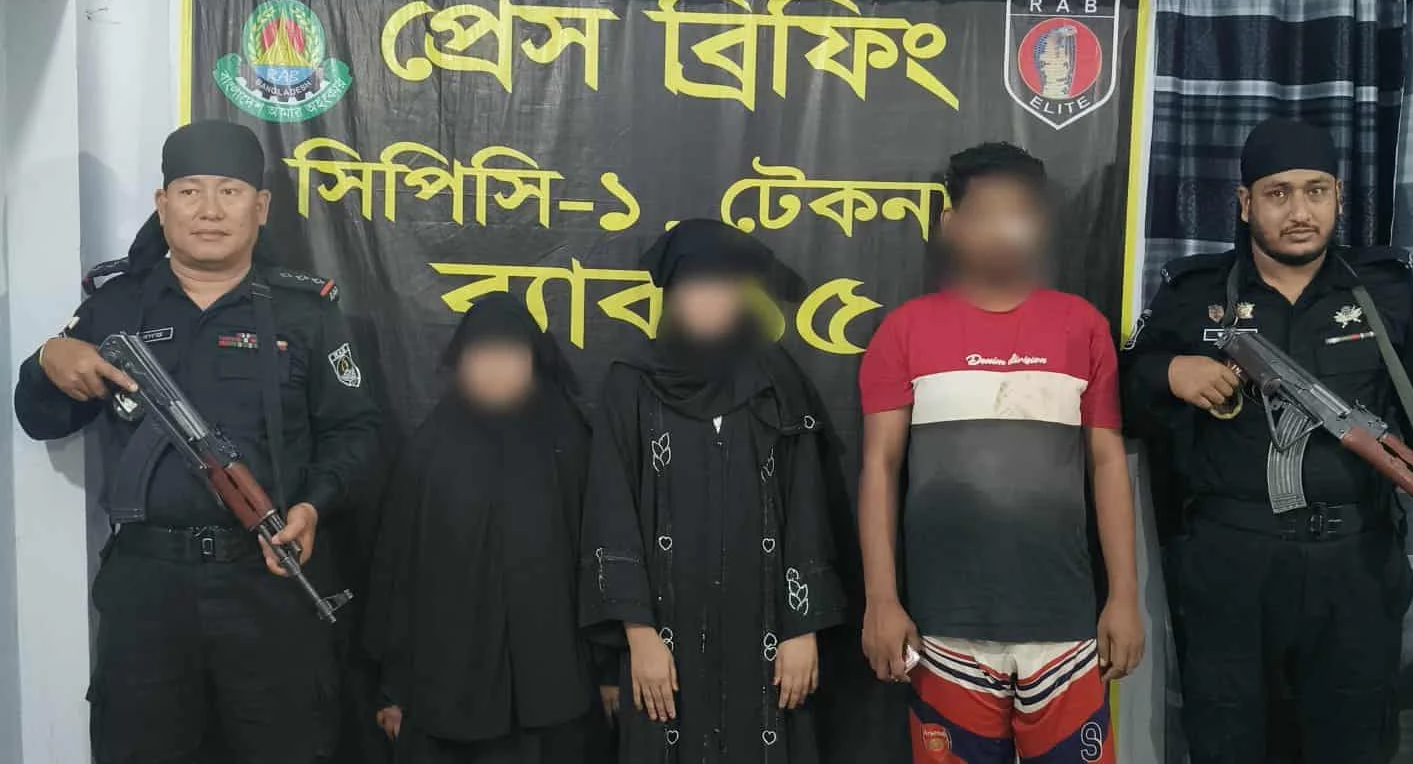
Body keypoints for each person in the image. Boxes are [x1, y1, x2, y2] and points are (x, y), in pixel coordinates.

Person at [12, 119, 382, 764]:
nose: (210, 210)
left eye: (230, 192)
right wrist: (47, 359)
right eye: (189, 192)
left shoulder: (307, 313)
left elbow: (358, 433)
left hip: (267, 578)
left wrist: (313, 505)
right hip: (147, 588)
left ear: (260, 208)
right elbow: (42, 419)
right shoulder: (115, 307)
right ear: (163, 205)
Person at [1120, 117, 1413, 764]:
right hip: (1231, 563)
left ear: (1338, 196)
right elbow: (1117, 389)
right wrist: (1169, 371)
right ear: (1244, 203)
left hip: (1356, 565)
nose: (1299, 212)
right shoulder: (1192, 295)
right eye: (1278, 193)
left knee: (1351, 742)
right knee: (1227, 741)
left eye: (1316, 191)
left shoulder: (1384, 291)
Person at [857, 142, 1143, 764]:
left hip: (1065, 627)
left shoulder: (1082, 326)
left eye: (1019, 214)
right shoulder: (904, 331)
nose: (1003, 231)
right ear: (950, 224)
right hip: (945, 630)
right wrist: (881, 599)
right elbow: (879, 467)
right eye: (985, 214)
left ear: (1041, 225)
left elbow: (1107, 464)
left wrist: (1124, 596)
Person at [579, 219, 846, 764]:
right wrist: (639, 636)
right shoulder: (632, 384)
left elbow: (807, 504)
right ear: (671, 295)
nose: (709, 303)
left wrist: (802, 630)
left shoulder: (775, 380)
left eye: (723, 288)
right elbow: (611, 509)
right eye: (695, 288)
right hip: (664, 639)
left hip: (766, 635)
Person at [365, 292, 610, 764]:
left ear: (533, 361)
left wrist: (610, 671)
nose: (495, 368)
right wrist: (392, 688)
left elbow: (601, 559)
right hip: (444, 696)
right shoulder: (428, 452)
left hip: (553, 692)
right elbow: (395, 573)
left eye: (509, 353)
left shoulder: (571, 445)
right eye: (482, 354)